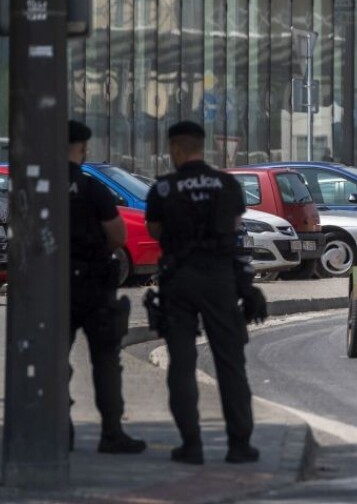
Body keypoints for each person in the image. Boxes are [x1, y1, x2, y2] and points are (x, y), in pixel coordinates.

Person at [145, 120, 259, 465]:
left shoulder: (164, 189)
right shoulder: (226, 184)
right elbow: (236, 228)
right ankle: (239, 445)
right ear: (201, 146)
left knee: (181, 363)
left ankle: (191, 445)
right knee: (230, 362)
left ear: (177, 149)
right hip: (219, 279)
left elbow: (154, 229)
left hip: (178, 279)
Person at [67, 119, 146, 455]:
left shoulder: (37, 185)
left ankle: (57, 430)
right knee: (106, 361)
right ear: (81, 147)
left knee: (54, 359)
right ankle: (111, 433)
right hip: (95, 285)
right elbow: (118, 236)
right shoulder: (91, 188)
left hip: (54, 287)